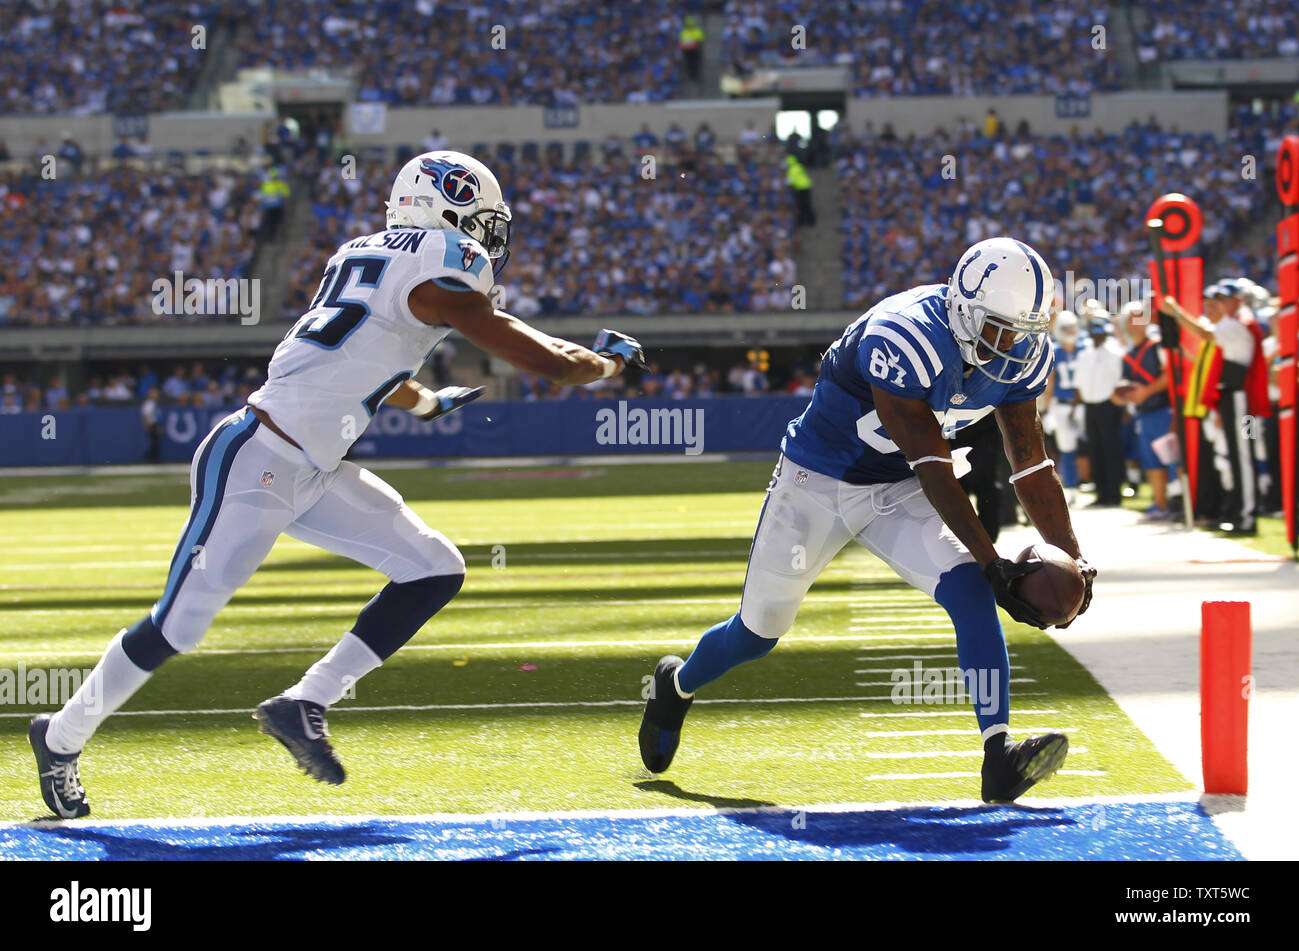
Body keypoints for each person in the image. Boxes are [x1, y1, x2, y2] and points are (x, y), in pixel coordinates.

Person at [29, 150, 647, 819]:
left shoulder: (366, 253)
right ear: (448, 207)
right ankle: (60, 736)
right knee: (179, 624)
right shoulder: (444, 264)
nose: (488, 236)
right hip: (254, 460)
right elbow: (543, 360)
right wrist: (606, 363)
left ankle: (306, 700)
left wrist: (427, 403)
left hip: (313, 468)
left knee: (434, 568)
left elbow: (364, 358)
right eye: (479, 218)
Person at [638, 237, 1095, 804]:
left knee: (972, 596)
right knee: (756, 635)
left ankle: (998, 757)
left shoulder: (1022, 356)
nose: (1010, 348)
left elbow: (1030, 462)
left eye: (1023, 333)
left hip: (897, 488)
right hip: (819, 483)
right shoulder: (903, 334)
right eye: (999, 330)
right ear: (963, 306)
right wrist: (994, 562)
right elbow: (933, 466)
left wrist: (1072, 559)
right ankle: (676, 686)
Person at [1159, 284, 1261, 534]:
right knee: (1234, 457)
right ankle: (1237, 512)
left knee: (1242, 457)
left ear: (1235, 302)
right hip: (1229, 398)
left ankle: (1247, 515)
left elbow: (1206, 334)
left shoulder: (1234, 324)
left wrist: (1177, 313)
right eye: (1208, 302)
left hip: (1241, 400)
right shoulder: (1229, 326)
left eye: (1219, 301)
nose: (1211, 307)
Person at [1116, 301, 1176, 520]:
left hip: (1164, 409)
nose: (1136, 321)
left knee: (1172, 460)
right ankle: (1160, 504)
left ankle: (1177, 504)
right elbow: (1125, 383)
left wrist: (1146, 392)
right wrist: (1121, 394)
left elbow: (1169, 376)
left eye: (1140, 315)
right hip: (1144, 414)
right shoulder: (1127, 354)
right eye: (1132, 317)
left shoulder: (1158, 346)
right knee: (1150, 461)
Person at [1073, 313, 1126, 506]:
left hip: (1109, 405)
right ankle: (1101, 492)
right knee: (1094, 449)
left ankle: (1114, 493)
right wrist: (1075, 406)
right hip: (1090, 406)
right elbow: (1079, 384)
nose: (1096, 336)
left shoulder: (1114, 353)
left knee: (1111, 450)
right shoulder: (1084, 354)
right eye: (1093, 332)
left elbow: (1120, 382)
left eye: (1099, 332)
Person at [1041, 310, 1087, 494]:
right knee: (1066, 447)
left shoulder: (1085, 347)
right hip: (1061, 404)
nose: (1070, 331)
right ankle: (1070, 485)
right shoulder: (1055, 350)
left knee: (1087, 444)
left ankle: (1087, 481)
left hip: (1083, 404)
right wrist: (1048, 408)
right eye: (1065, 328)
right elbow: (1050, 381)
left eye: (1072, 327)